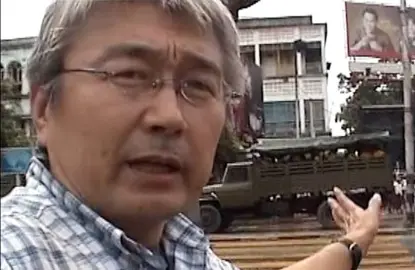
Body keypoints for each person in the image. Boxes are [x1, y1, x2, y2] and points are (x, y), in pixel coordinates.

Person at [0, 1, 383, 270]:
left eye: (198, 85)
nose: (170, 117)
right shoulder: (17, 251)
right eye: (128, 74)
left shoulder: (182, 251)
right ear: (43, 108)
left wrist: (356, 240)